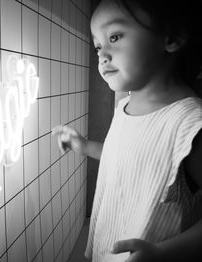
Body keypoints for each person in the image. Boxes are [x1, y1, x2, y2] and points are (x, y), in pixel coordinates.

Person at [52, 0, 202, 261]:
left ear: (172, 37)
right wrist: (85, 146)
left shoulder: (190, 125)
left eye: (115, 37)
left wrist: (161, 253)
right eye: (98, 45)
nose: (101, 55)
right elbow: (131, 159)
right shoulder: (124, 108)